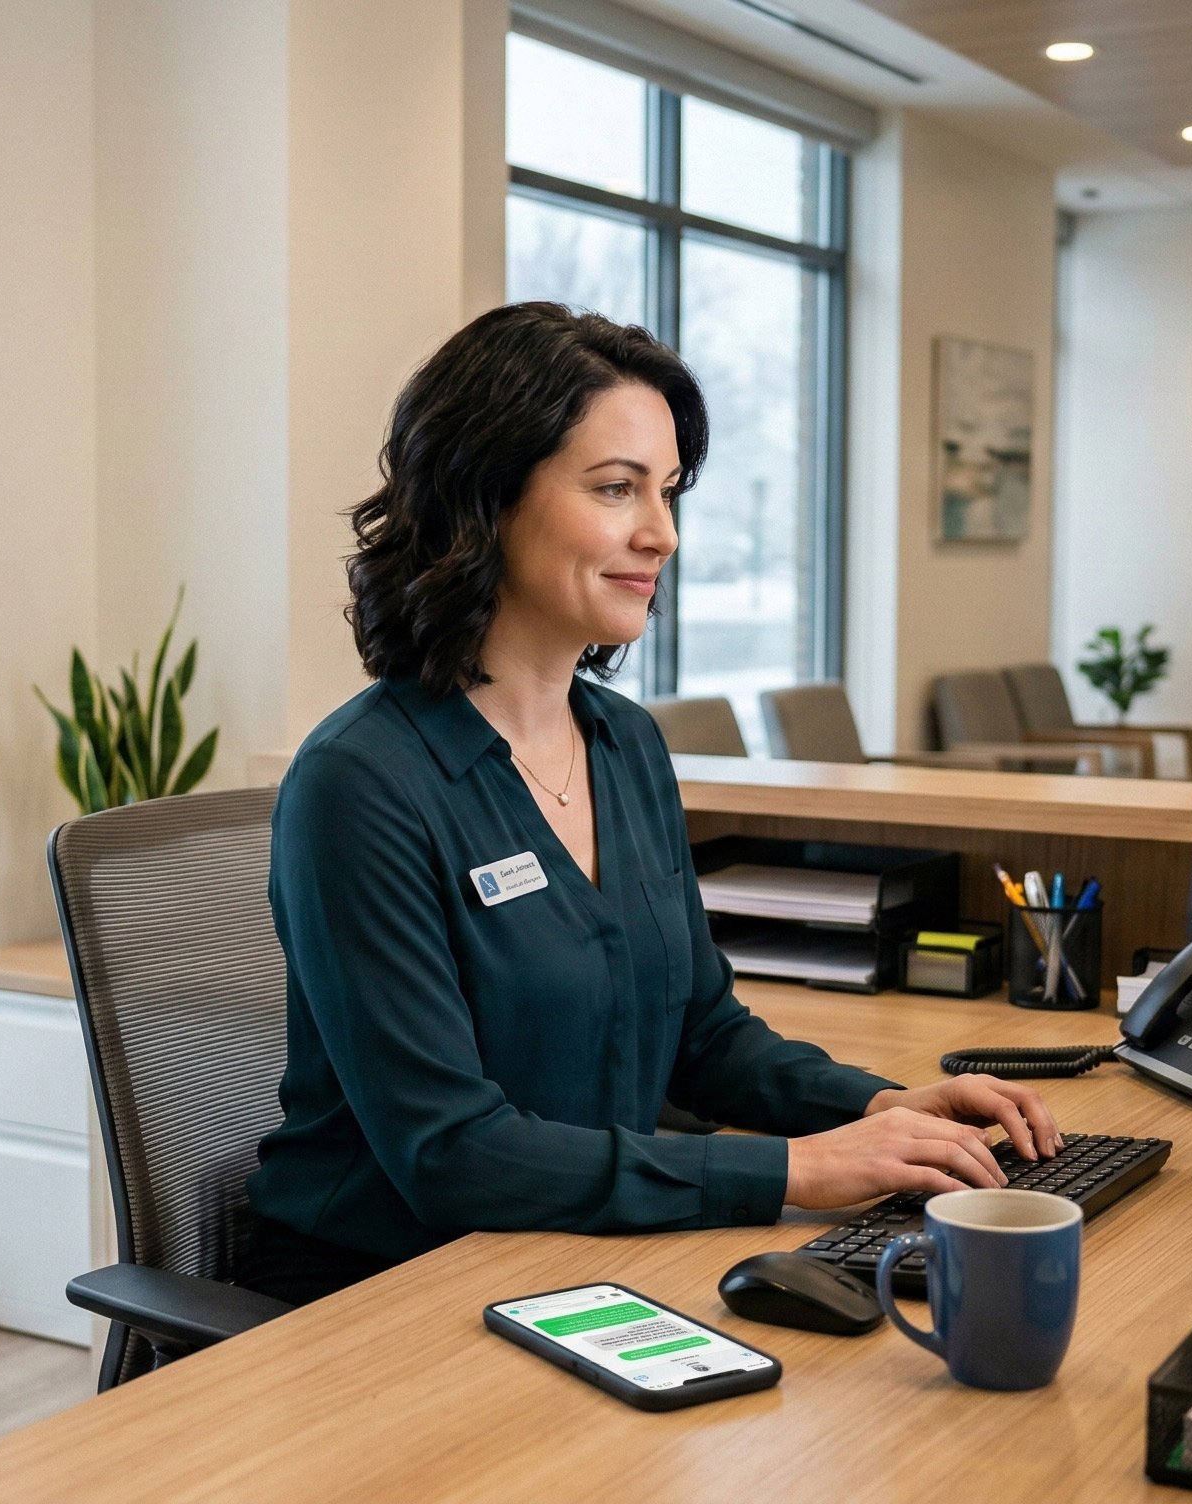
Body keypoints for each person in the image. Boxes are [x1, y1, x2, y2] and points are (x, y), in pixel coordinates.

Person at [237, 303, 1064, 1305]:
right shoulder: (361, 783)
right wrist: (800, 1171)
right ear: (483, 496)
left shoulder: (624, 743)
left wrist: (883, 1108)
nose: (660, 533)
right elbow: (452, 1154)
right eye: (616, 488)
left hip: (569, 1254)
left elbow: (700, 1034)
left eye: (667, 492)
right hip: (375, 1289)